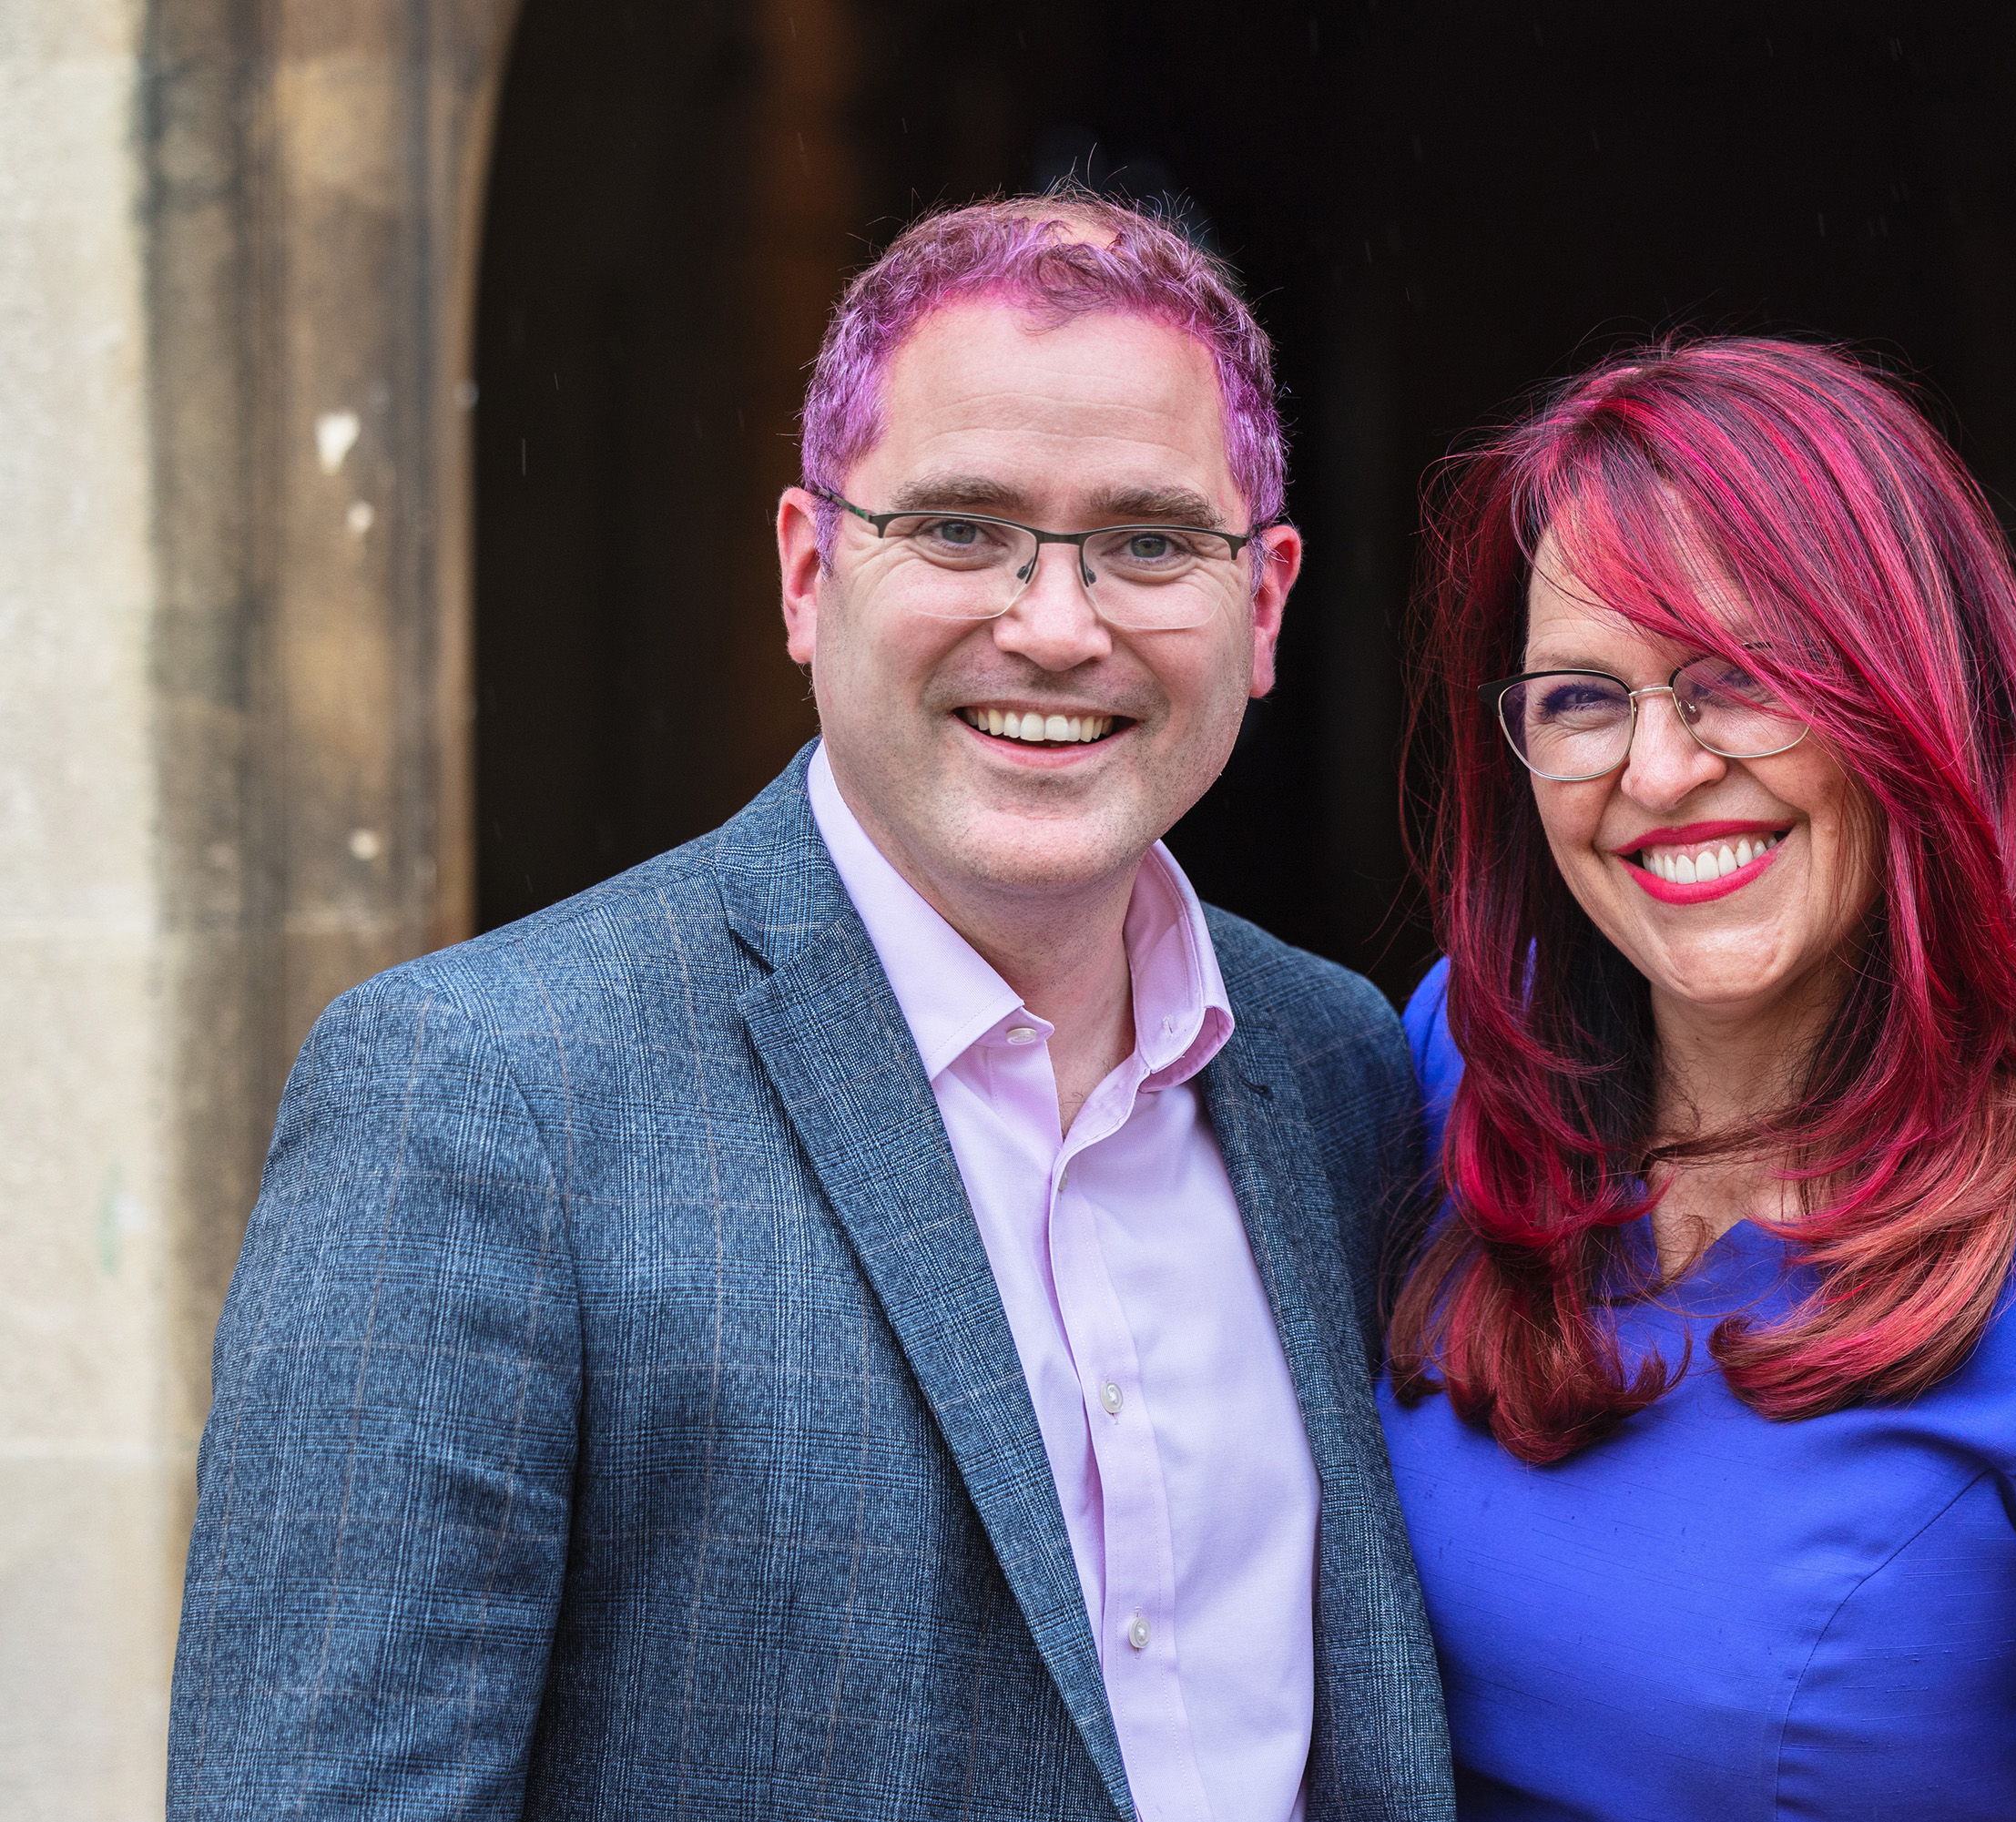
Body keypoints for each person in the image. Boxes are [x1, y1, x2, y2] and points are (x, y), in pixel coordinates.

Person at [168, 194, 1451, 1822]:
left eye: (1146, 541)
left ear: (1263, 605)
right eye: (963, 528)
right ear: (805, 570)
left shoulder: (1339, 1070)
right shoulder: (478, 1097)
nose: (1054, 626)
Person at [1378, 338, 2016, 1822]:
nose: (1660, 770)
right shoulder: (1467, 1071)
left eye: (1743, 677)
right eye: (1583, 699)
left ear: (1920, 704)